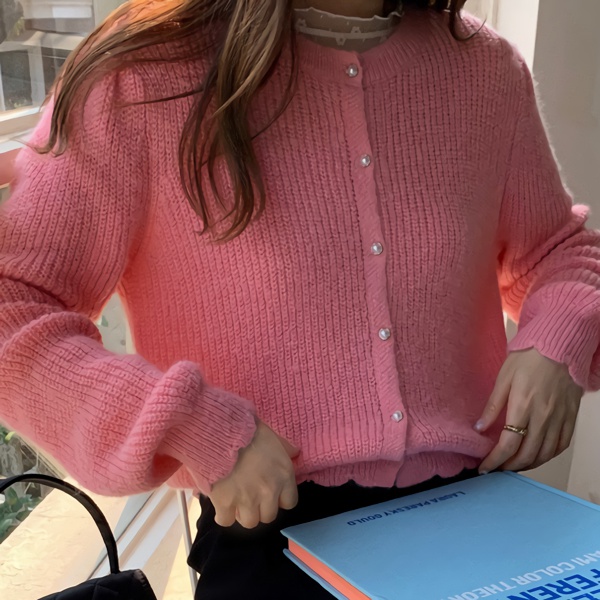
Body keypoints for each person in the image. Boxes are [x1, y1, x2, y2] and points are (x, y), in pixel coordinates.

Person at [0, 0, 596, 597]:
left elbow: (558, 251)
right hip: (272, 541)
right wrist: (189, 423)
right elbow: (11, 309)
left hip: (487, 520)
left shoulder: (485, 69)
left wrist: (559, 337)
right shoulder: (136, 80)